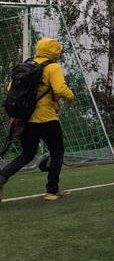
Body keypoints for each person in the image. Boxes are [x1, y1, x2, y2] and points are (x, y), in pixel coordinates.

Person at [0, 37, 73, 202]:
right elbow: (60, 89)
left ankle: (2, 177)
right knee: (57, 152)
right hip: (47, 118)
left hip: (26, 119)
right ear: (55, 52)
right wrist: (70, 97)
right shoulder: (53, 67)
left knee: (27, 154)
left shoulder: (27, 65)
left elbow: (10, 88)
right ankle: (52, 191)